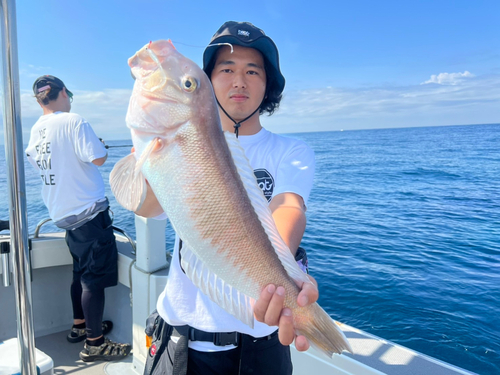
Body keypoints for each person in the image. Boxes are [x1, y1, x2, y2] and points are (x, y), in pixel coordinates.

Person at [136, 21, 317, 375]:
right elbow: (147, 206)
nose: (239, 81)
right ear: (206, 82)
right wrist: (148, 148)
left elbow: (288, 205)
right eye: (226, 69)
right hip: (180, 341)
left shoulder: (291, 151)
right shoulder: (178, 144)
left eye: (253, 71)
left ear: (269, 85)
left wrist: (283, 277)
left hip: (261, 346)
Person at [25, 75, 131, 362]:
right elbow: (97, 158)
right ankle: (95, 343)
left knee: (79, 273)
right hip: (89, 214)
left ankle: (80, 326)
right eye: (69, 93)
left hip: (62, 216)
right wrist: (98, 143)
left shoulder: (36, 130)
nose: (70, 99)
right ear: (61, 93)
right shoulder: (74, 121)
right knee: (92, 280)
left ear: (39, 100)